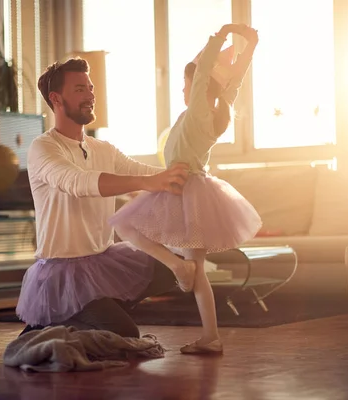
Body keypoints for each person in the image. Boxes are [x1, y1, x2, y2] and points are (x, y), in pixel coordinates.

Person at [108, 23, 262, 354]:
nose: (182, 89)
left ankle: (175, 266)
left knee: (121, 223)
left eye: (185, 82)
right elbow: (233, 84)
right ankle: (211, 337)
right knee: (200, 273)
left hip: (181, 186)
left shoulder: (197, 113)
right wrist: (250, 47)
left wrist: (221, 35)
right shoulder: (213, 112)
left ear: (198, 86)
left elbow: (209, 73)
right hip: (194, 190)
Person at [15, 57, 194, 338]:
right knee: (124, 336)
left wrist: (187, 178)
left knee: (165, 266)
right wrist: (148, 181)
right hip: (63, 273)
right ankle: (54, 321)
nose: (90, 95)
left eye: (90, 87)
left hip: (101, 261)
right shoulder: (43, 148)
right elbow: (76, 181)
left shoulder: (103, 149)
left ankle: (87, 313)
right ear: (56, 98)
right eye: (79, 89)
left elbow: (143, 171)